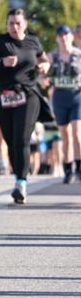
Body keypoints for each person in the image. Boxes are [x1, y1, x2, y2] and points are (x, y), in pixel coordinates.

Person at [0, 7, 51, 204]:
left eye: (18, 23)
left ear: (25, 24)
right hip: (4, 96)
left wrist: (45, 66)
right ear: (7, 24)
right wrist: (2, 62)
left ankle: (21, 182)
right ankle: (18, 178)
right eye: (11, 23)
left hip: (28, 95)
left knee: (22, 138)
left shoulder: (33, 41)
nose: (14, 26)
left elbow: (44, 60)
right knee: (11, 141)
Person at [47, 24, 81, 184]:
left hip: (77, 96)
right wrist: (43, 79)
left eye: (66, 34)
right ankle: (68, 169)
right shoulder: (52, 56)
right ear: (57, 38)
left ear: (72, 37)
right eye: (60, 35)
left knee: (77, 134)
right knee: (65, 135)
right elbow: (41, 74)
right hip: (60, 97)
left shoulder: (79, 55)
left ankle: (79, 167)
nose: (64, 37)